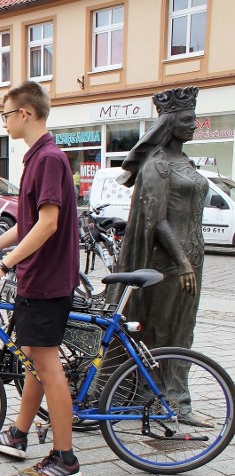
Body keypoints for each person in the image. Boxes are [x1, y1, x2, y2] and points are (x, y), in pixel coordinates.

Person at [0, 80, 81, 476]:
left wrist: (3, 267)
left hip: (46, 279)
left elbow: (48, 224)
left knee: (47, 366)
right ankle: (18, 434)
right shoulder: (36, 159)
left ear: (24, 114)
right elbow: (24, 225)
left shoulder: (47, 159)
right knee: (34, 360)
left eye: (6, 114)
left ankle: (65, 459)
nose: (4, 122)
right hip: (38, 278)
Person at [113, 86, 211, 427]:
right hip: (168, 263)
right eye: (187, 119)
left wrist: (191, 261)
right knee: (160, 332)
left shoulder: (186, 162)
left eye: (194, 118)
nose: (194, 124)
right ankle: (153, 396)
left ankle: (179, 400)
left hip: (192, 258)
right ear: (170, 123)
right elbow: (157, 220)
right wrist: (182, 262)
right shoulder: (158, 165)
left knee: (183, 330)